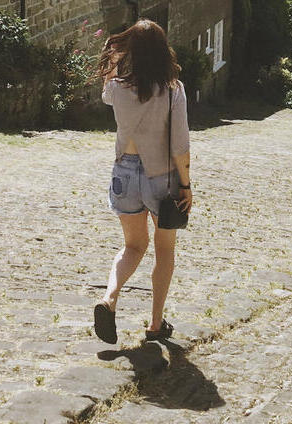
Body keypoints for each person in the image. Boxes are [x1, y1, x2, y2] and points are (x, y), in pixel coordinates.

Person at [93, 19, 192, 344]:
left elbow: (106, 93)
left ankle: (109, 298)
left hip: (123, 173)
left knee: (133, 246)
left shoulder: (119, 88)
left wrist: (113, 57)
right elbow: (179, 145)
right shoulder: (173, 90)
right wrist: (187, 184)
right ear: (163, 51)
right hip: (160, 178)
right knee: (164, 251)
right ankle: (155, 323)